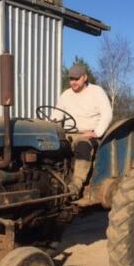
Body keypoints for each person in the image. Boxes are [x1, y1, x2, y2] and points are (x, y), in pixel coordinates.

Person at [53, 64, 113, 198]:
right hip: (68, 133)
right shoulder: (66, 95)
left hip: (88, 134)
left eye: (76, 79)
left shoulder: (96, 92)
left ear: (85, 77)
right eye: (71, 79)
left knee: (83, 146)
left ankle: (75, 186)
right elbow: (56, 116)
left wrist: (96, 132)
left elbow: (107, 114)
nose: (73, 82)